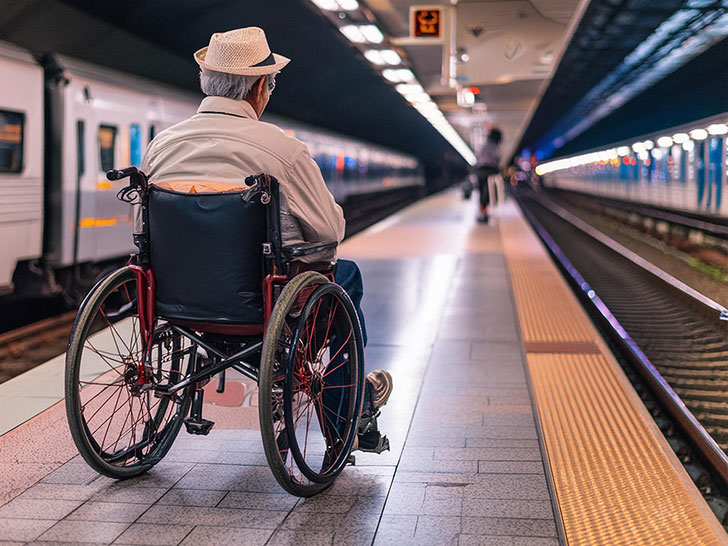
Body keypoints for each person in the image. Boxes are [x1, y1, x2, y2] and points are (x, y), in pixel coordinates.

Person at [141, 27, 391, 453]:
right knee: (344, 280)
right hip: (260, 301)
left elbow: (146, 229)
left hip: (174, 298)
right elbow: (330, 231)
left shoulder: (160, 145)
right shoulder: (281, 149)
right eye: (270, 85)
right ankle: (350, 410)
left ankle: (352, 400)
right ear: (260, 87)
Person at [474, 127, 503, 222]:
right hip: (490, 169)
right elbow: (496, 157)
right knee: (488, 190)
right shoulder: (495, 146)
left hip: (480, 169)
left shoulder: (484, 144)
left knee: (482, 190)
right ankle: (484, 209)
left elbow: (478, 156)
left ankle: (482, 209)